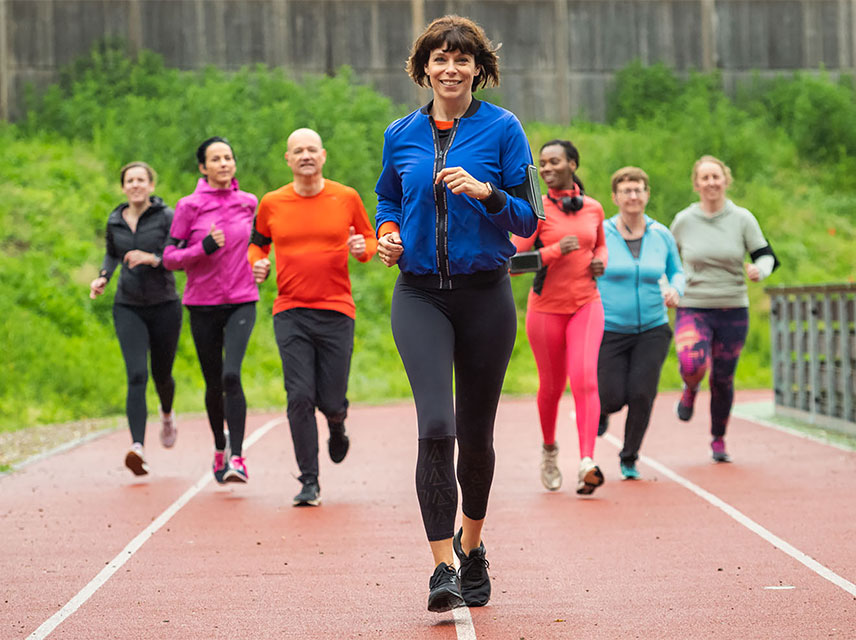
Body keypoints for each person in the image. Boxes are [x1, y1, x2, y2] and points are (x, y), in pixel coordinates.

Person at [373, 15, 540, 613]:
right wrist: (388, 232)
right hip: (419, 294)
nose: (450, 69)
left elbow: (528, 219)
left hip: (485, 294)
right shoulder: (401, 131)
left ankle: (473, 547)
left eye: (461, 59)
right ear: (424, 69)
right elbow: (388, 196)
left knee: (476, 431)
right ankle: (442, 566)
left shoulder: (503, 130)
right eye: (439, 59)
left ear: (479, 69)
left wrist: (486, 192)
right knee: (436, 423)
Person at [249, 128, 378, 507]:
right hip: (290, 311)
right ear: (288, 160)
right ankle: (309, 480)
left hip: (337, 310)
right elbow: (258, 244)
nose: (305, 155)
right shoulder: (272, 202)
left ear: (323, 156)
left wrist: (362, 248)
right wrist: (259, 265)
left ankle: (337, 424)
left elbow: (370, 239)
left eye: (311, 149)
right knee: (299, 396)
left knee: (331, 398)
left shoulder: (346, 197)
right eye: (297, 151)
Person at [669, 156, 780, 463]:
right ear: (696, 184)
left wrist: (760, 270)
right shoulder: (684, 220)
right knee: (692, 362)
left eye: (716, 177)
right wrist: (669, 284)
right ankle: (690, 388)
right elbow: (667, 257)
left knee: (722, 378)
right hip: (694, 304)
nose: (711, 183)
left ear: (725, 180)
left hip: (732, 306)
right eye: (704, 178)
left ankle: (718, 437)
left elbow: (766, 255)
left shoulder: (742, 218)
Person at [512, 139, 607, 495]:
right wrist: (552, 251)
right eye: (543, 163)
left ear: (573, 165)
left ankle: (587, 461)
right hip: (546, 309)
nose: (548, 168)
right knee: (552, 387)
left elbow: (600, 244)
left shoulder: (594, 209)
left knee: (584, 378)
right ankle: (550, 450)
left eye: (555, 161)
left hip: (586, 303)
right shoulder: (534, 212)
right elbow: (512, 264)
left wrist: (601, 261)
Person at [163, 137, 261, 484]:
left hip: (242, 299)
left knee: (231, 375)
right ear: (203, 168)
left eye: (228, 158)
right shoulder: (188, 206)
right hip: (202, 303)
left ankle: (237, 456)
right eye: (215, 159)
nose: (223, 163)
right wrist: (201, 248)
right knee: (213, 381)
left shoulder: (249, 203)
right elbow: (170, 257)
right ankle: (219, 446)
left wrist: (261, 264)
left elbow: (259, 246)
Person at [90, 161, 182, 477]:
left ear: (151, 186)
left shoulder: (167, 217)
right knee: (137, 375)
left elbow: (176, 255)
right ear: (123, 187)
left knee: (162, 374)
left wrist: (152, 259)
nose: (136, 185)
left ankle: (167, 414)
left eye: (141, 180)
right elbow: (112, 254)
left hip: (164, 305)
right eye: (130, 180)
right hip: (127, 306)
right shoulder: (115, 220)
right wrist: (103, 277)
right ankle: (137, 447)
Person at [594, 166, 683, 480]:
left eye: (639, 190)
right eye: (626, 191)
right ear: (615, 197)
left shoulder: (661, 234)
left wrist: (676, 289)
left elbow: (677, 271)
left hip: (653, 329)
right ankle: (602, 411)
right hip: (610, 328)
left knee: (642, 394)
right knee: (612, 395)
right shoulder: (601, 232)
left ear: (647, 195)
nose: (633, 196)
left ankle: (629, 457)